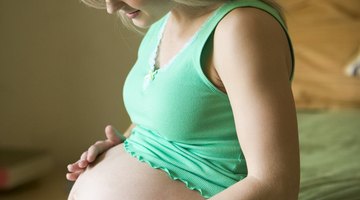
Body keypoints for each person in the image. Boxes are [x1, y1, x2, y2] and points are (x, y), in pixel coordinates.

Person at [66, 0, 300, 199]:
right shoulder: (162, 22)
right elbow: (169, 117)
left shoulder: (241, 26)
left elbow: (276, 185)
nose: (111, 6)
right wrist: (123, 143)